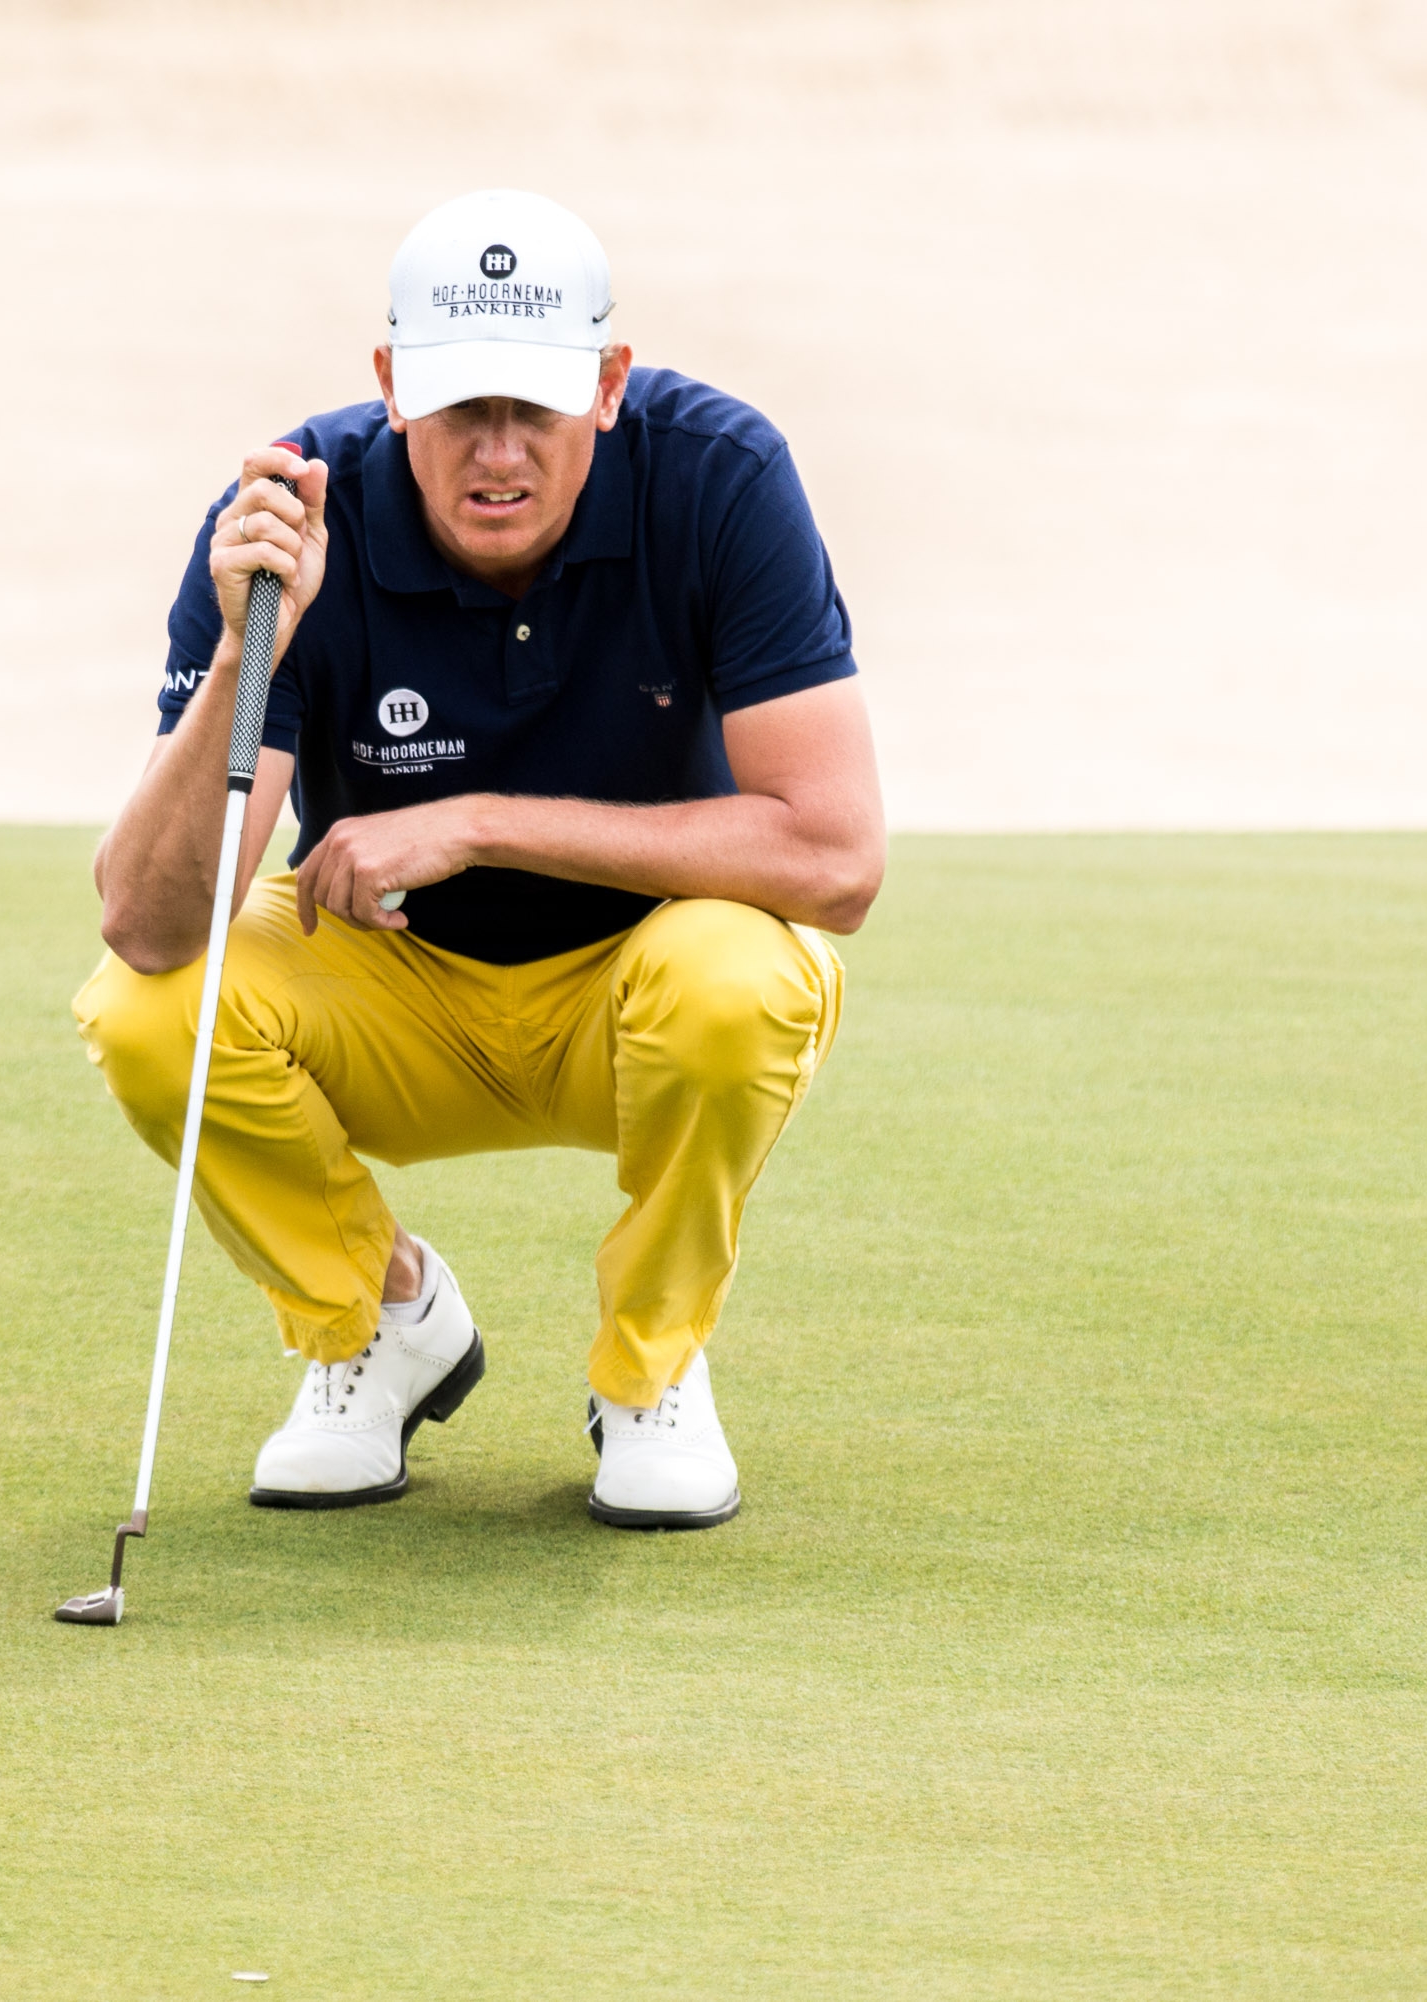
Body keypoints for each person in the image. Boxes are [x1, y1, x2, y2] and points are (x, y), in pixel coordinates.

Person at [75, 188, 883, 1530]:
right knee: (153, 1012)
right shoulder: (289, 514)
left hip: (641, 984)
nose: (497, 452)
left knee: (740, 975)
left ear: (610, 385)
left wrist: (481, 818)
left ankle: (652, 1370)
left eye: (535, 409)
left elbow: (837, 856)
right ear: (393, 387)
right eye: (461, 409)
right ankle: (373, 1322)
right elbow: (153, 924)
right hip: (396, 989)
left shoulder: (722, 477)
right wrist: (241, 649)